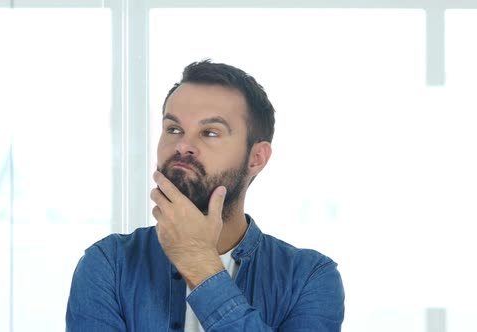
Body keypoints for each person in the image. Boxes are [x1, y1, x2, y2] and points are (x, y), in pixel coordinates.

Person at [66, 60, 345, 331]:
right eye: (173, 129)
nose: (184, 145)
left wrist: (201, 266)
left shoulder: (310, 277)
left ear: (256, 158)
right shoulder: (109, 264)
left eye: (210, 132)